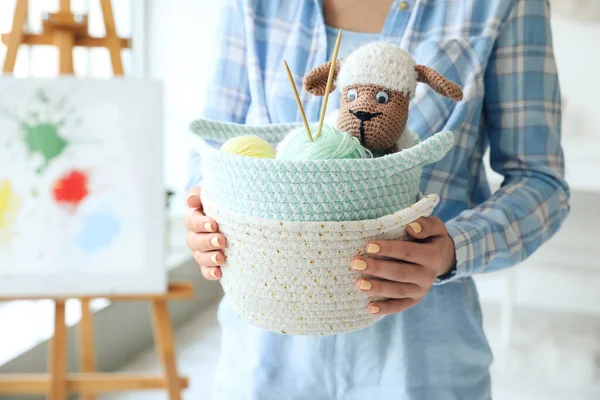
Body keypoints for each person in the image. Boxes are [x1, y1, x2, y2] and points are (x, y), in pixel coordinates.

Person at [184, 0, 570, 398]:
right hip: (266, 352)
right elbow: (211, 151)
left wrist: (452, 248)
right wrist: (201, 215)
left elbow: (541, 181)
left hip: (421, 351)